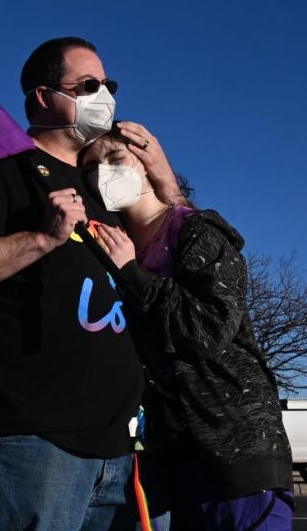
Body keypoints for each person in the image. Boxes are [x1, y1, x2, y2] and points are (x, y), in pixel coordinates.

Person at [0, 37, 182, 531]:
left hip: (133, 446)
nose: (104, 97)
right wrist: (44, 237)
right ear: (44, 97)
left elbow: (177, 252)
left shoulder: (110, 180)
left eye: (109, 85)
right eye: (88, 85)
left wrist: (165, 185)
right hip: (38, 444)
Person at [81, 125, 294, 530]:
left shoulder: (195, 231)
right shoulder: (120, 248)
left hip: (236, 455)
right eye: (90, 169)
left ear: (147, 165)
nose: (102, 175)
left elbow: (209, 327)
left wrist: (132, 274)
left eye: (114, 160)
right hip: (177, 462)